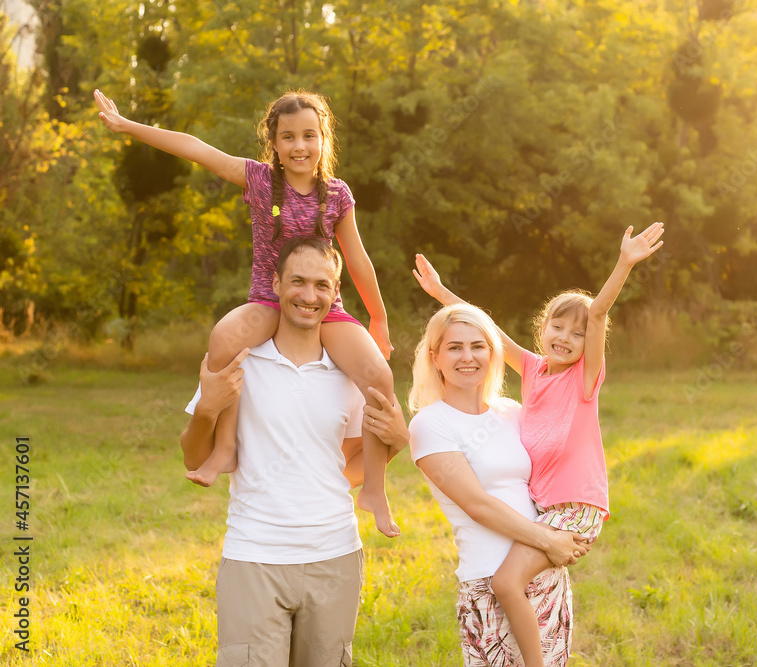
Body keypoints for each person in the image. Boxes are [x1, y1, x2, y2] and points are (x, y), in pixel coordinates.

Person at [95, 88, 399, 537]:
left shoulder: (336, 194)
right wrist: (127, 126)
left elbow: (357, 259)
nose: (300, 146)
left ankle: (374, 487)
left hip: (324, 306)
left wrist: (379, 318)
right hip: (268, 301)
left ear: (323, 140)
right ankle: (224, 449)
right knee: (224, 339)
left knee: (380, 376)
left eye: (309, 136)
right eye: (289, 137)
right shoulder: (259, 181)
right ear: (273, 143)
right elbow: (196, 148)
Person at [412, 222, 665, 667]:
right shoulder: (533, 371)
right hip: (548, 509)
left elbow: (601, 312)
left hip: (575, 505)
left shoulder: (584, 380)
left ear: (592, 344)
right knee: (508, 586)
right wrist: (441, 294)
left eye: (579, 333)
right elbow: (488, 330)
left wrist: (624, 263)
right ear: (542, 327)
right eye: (558, 327)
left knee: (507, 584)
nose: (566, 339)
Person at [180, 237, 401, 666]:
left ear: (335, 293)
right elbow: (192, 457)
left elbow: (347, 469)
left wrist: (398, 443)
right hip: (254, 556)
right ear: (276, 284)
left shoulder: (349, 375)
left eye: (322, 285)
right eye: (298, 281)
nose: (309, 295)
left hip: (335, 556)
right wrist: (207, 408)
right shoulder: (241, 360)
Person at [381, 303, 591, 666]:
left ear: (492, 352)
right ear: (435, 357)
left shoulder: (511, 411)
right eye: (454, 347)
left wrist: (573, 522)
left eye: (478, 346)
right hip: (489, 580)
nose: (468, 357)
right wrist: (549, 539)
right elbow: (476, 504)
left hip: (543, 574)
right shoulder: (432, 424)